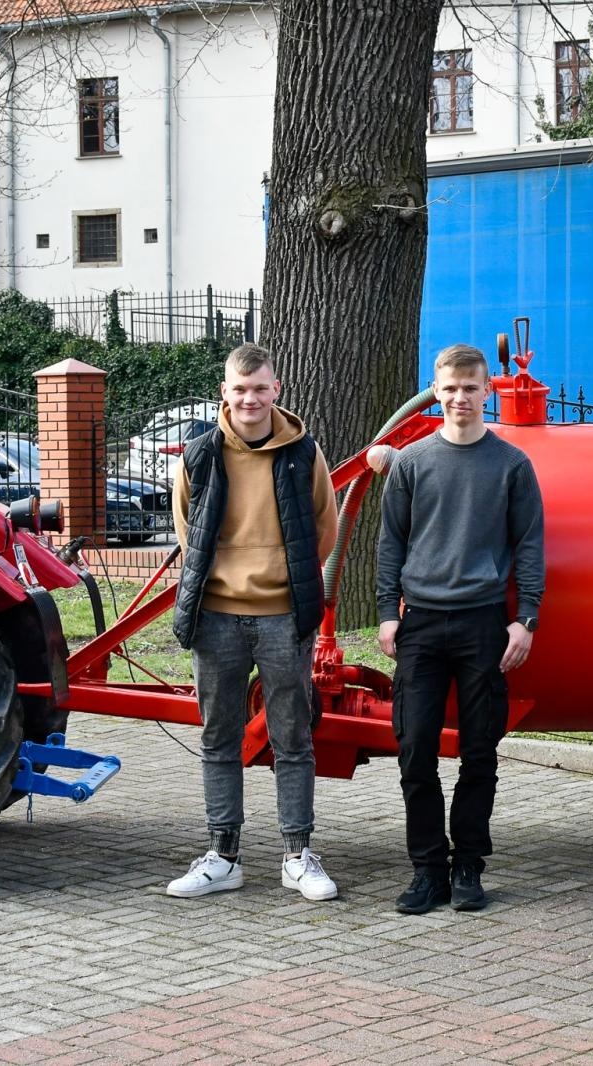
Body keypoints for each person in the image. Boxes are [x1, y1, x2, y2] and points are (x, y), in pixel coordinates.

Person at [166, 342, 340, 902]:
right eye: (239, 390)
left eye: (260, 388)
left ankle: (297, 854)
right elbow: (188, 531)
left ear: (276, 391)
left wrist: (286, 584)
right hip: (216, 615)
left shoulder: (303, 453)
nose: (250, 399)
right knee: (220, 736)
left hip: (284, 618)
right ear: (224, 393)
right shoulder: (199, 455)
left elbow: (324, 527)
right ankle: (223, 855)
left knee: (292, 737)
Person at [376, 343, 546, 914]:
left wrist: (525, 620)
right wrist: (384, 613)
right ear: (437, 390)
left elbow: (530, 548)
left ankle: (469, 864)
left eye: (470, 389)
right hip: (420, 623)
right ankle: (429, 870)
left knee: (480, 751)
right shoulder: (412, 463)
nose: (459, 399)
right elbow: (390, 545)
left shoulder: (512, 466)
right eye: (449, 389)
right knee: (415, 749)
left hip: (483, 624)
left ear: (486, 392)